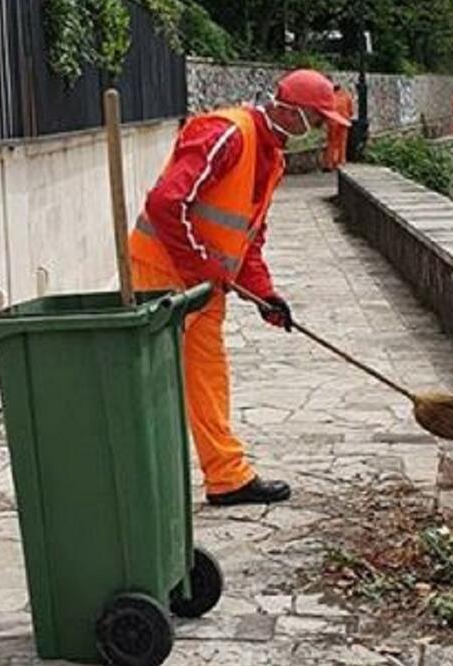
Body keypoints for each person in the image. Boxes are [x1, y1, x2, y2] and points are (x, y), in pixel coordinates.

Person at [129, 69, 350, 506]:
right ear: (290, 111)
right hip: (163, 272)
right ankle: (141, 481)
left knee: (208, 378)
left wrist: (264, 294)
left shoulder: (273, 159)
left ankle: (226, 477)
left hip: (203, 283)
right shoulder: (226, 134)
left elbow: (249, 236)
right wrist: (201, 266)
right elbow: (166, 203)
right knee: (156, 381)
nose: (317, 130)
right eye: (316, 120)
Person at [324, 83, 355, 170]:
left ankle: (329, 163)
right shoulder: (347, 96)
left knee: (331, 143)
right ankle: (341, 161)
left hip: (333, 122)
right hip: (344, 121)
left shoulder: (329, 97)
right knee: (342, 142)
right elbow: (351, 111)